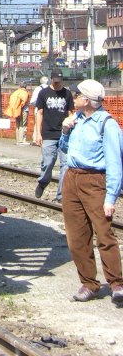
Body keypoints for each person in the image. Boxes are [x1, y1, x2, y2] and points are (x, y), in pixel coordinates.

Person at [59, 78, 123, 303]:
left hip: (95, 180)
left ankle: (116, 283)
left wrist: (111, 197)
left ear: (87, 99)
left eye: (76, 95)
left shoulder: (107, 124)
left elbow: (115, 162)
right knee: (76, 235)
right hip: (72, 178)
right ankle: (88, 283)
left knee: (104, 233)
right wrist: (65, 131)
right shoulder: (76, 119)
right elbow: (64, 149)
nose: (73, 97)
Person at [33, 69, 74, 201]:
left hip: (64, 134)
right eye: (55, 81)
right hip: (48, 133)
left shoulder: (67, 94)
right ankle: (43, 182)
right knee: (48, 162)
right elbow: (39, 113)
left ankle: (61, 195)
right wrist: (38, 133)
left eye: (59, 82)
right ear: (51, 79)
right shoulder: (44, 93)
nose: (57, 84)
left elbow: (71, 113)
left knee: (66, 165)